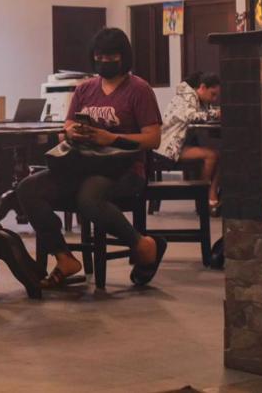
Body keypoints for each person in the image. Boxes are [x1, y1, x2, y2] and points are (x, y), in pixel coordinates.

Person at [16, 28, 167, 289]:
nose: (104, 62)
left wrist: (111, 139)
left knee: (89, 198)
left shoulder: (139, 90)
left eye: (111, 57)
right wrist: (71, 131)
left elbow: (153, 138)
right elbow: (67, 127)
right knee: (28, 188)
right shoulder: (85, 89)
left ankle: (143, 245)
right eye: (99, 57)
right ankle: (64, 258)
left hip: (125, 169)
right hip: (81, 164)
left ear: (123, 57)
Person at [155, 71, 221, 210]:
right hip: (168, 148)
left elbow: (203, 114)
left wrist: (215, 112)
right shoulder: (186, 97)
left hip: (180, 145)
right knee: (212, 155)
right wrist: (217, 113)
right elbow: (191, 116)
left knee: (219, 155)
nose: (214, 99)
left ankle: (210, 194)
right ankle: (204, 197)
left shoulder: (198, 99)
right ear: (202, 87)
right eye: (213, 94)